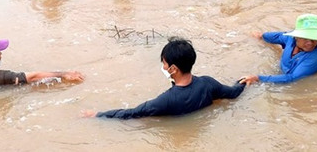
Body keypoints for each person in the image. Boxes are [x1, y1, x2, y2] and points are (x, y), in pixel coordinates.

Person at [82, 37, 245, 119]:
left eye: (165, 63)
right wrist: (245, 80)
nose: (164, 67)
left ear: (173, 69)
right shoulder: (208, 84)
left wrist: (97, 115)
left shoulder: (165, 100)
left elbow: (130, 114)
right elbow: (233, 93)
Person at [240, 14, 317, 85]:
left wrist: (258, 78)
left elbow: (292, 78)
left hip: (293, 79)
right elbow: (272, 37)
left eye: (314, 38)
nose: (310, 43)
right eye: (305, 38)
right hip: (283, 72)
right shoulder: (289, 38)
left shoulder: (315, 57)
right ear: (296, 36)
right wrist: (260, 36)